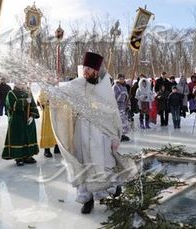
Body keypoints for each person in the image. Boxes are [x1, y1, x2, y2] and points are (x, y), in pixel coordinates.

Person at [50, 52, 134, 214]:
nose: (85, 71)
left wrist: (115, 136)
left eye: (89, 68)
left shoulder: (104, 88)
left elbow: (112, 114)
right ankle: (87, 200)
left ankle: (111, 189)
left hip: (101, 134)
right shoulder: (78, 84)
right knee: (83, 164)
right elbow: (61, 94)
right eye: (84, 68)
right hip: (81, 132)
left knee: (103, 164)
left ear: (96, 70)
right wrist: (52, 91)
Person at [2, 82, 40, 166]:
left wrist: (32, 116)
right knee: (18, 138)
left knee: (29, 137)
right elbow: (12, 106)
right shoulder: (11, 93)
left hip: (28, 120)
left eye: (24, 83)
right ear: (16, 84)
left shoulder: (28, 92)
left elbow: (33, 105)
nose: (22, 85)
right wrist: (25, 101)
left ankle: (28, 156)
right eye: (20, 84)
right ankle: (18, 157)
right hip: (17, 120)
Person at [37, 89, 60, 158]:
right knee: (47, 130)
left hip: (56, 112)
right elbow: (40, 99)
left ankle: (57, 146)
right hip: (47, 112)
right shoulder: (44, 89)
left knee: (57, 130)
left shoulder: (57, 89)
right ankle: (46, 150)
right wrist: (47, 101)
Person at [113, 74, 131, 141]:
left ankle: (123, 134)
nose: (121, 80)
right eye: (120, 79)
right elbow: (115, 97)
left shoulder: (125, 87)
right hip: (118, 106)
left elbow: (127, 97)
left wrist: (128, 105)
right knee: (118, 121)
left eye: (122, 79)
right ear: (118, 79)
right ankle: (118, 135)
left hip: (124, 106)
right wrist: (123, 95)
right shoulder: (115, 87)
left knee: (124, 121)